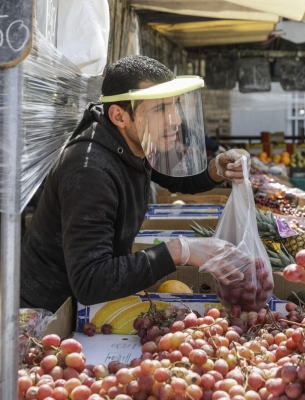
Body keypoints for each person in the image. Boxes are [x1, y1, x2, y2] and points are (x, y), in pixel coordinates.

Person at [20, 55, 250, 313]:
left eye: (174, 105)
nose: (175, 119)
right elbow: (91, 280)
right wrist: (180, 250)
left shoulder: (134, 141)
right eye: (160, 109)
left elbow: (179, 177)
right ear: (119, 115)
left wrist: (218, 167)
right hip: (51, 314)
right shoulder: (89, 171)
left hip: (91, 307)